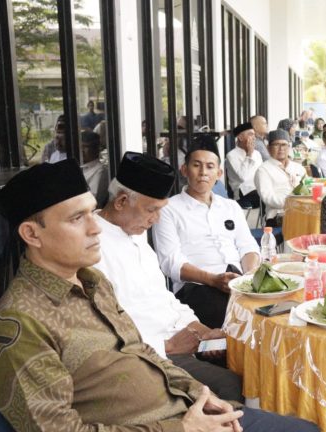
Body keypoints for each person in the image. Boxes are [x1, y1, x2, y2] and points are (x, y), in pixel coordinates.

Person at [0, 159, 318, 431]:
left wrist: (199, 394)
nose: (96, 226)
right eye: (77, 218)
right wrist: (184, 428)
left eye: (91, 211)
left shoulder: (92, 283)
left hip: (183, 407)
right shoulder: (18, 324)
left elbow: (140, 349)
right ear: (31, 234)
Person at [94, 151, 245, 403]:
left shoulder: (135, 233)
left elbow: (163, 297)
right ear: (121, 202)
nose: (156, 220)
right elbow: (101, 330)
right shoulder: (93, 248)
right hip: (149, 355)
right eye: (151, 210)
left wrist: (200, 329)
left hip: (181, 338)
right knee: (233, 383)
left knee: (249, 356)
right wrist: (168, 346)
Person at [153, 139, 261, 329]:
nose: (203, 172)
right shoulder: (168, 209)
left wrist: (249, 277)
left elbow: (248, 246)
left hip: (238, 282)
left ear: (218, 174)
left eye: (210, 167)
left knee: (273, 312)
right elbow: (171, 262)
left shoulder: (230, 206)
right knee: (239, 323)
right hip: (197, 287)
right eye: (196, 165)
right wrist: (213, 279)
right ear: (184, 170)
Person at [254, 129, 306, 227]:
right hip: (278, 214)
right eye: (276, 145)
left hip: (303, 210)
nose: (281, 148)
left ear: (289, 147)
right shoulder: (263, 170)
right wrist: (293, 203)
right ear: (268, 148)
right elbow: (268, 198)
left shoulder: (298, 167)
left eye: (284, 145)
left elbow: (308, 188)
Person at [225, 122, 262, 208]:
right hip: (242, 193)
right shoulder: (231, 155)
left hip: (258, 189)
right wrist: (249, 155)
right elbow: (243, 177)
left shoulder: (257, 154)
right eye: (250, 134)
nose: (254, 138)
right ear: (240, 137)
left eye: (254, 135)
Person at [79, 130, 110, 207]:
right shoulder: (77, 168)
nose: (81, 150)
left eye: (85, 147)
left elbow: (93, 200)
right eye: (80, 147)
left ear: (96, 149)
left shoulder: (100, 172)